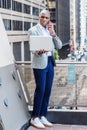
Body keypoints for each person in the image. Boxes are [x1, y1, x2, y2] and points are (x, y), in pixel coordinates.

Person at [28, 9, 62, 129]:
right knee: (40, 90)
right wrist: (38, 51)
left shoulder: (50, 31)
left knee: (47, 91)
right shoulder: (33, 30)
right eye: (42, 17)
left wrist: (53, 34)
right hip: (39, 64)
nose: (44, 19)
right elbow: (32, 49)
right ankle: (35, 117)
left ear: (49, 19)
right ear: (39, 17)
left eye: (47, 18)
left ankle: (43, 115)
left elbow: (59, 46)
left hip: (49, 63)